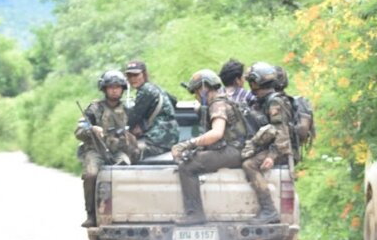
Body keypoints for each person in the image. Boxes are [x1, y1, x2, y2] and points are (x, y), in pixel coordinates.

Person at [170, 69, 251, 224]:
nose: (196, 96)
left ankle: (195, 214)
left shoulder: (217, 104)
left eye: (196, 92)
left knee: (187, 166)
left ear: (203, 89)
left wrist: (187, 144)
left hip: (233, 151)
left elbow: (217, 133)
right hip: (235, 149)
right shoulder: (224, 100)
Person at [76, 69, 137, 227]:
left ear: (123, 88)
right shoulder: (94, 109)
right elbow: (79, 131)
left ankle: (126, 212)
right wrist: (92, 130)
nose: (115, 90)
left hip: (119, 151)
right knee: (90, 175)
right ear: (104, 89)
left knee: (126, 173)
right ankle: (91, 213)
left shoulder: (130, 109)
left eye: (118, 86)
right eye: (111, 86)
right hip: (96, 150)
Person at [239, 61, 294, 224]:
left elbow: (282, 132)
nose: (251, 86)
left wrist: (272, 156)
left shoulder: (275, 102)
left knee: (249, 165)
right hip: (271, 146)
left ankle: (269, 210)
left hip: (279, 149)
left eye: (252, 82)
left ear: (258, 82)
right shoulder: (263, 100)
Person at [123, 59, 179, 158]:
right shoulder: (156, 88)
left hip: (157, 140)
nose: (132, 79)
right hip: (171, 139)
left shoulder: (145, 90)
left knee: (125, 153)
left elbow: (132, 118)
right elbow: (174, 100)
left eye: (136, 75)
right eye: (129, 76)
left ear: (144, 74)